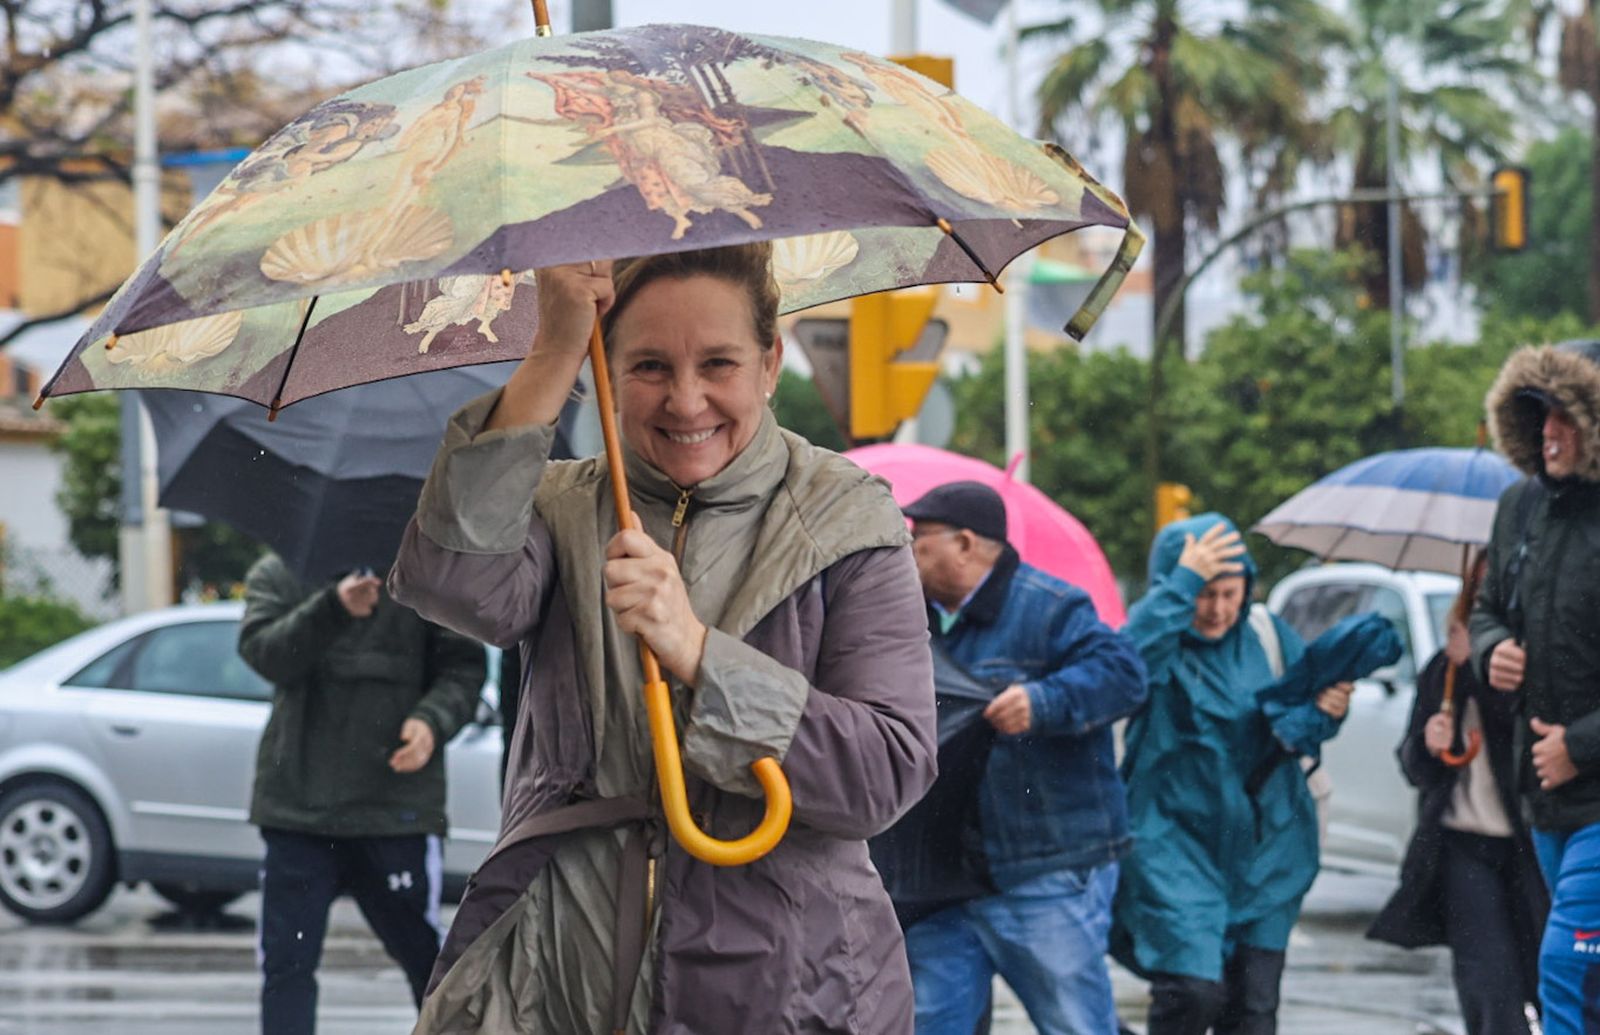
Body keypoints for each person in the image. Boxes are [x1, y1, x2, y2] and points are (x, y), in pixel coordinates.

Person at [387, 242, 938, 1033]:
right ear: (604, 373)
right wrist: (553, 349)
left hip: (790, 988)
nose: (685, 400)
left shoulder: (848, 517)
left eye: (718, 363)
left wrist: (699, 654)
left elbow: (885, 769)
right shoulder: (557, 506)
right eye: (648, 366)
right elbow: (451, 583)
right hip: (554, 978)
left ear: (770, 362)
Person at [896, 480, 1147, 1035]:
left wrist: (1044, 702)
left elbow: (1126, 676)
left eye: (921, 538)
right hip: (939, 882)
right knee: (929, 1022)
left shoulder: (1051, 607)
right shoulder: (912, 618)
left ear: (965, 544)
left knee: (1074, 1023)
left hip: (1043, 872)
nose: (910, 550)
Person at [1115, 515, 1352, 1035]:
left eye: (1229, 592)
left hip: (1268, 850)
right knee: (1192, 994)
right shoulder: (1160, 638)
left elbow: (1297, 726)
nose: (1218, 609)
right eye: (1204, 594)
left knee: (1253, 1011)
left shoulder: (1267, 637)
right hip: (1175, 845)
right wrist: (1181, 586)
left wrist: (1327, 712)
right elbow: (1118, 668)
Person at [237, 555, 486, 1035]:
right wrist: (333, 607)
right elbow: (265, 655)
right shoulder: (280, 571)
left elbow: (463, 670)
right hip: (299, 812)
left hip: (395, 811)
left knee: (428, 963)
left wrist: (431, 722)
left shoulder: (427, 573)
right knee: (287, 965)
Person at [1471, 339, 1600, 1032]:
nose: (1548, 431)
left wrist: (1579, 746)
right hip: (1544, 795)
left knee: (1565, 966)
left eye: (1565, 416)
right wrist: (1492, 649)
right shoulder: (1519, 507)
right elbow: (1488, 608)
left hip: (1591, 788)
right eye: (1539, 414)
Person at [1369, 554, 1547, 1034]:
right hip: (1462, 844)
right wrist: (1429, 743)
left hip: (1531, 845)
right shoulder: (1443, 668)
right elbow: (1415, 767)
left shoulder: (1542, 659)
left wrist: (1480, 668)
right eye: (1480, 586)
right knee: (1487, 982)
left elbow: (1525, 740)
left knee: (1547, 977)